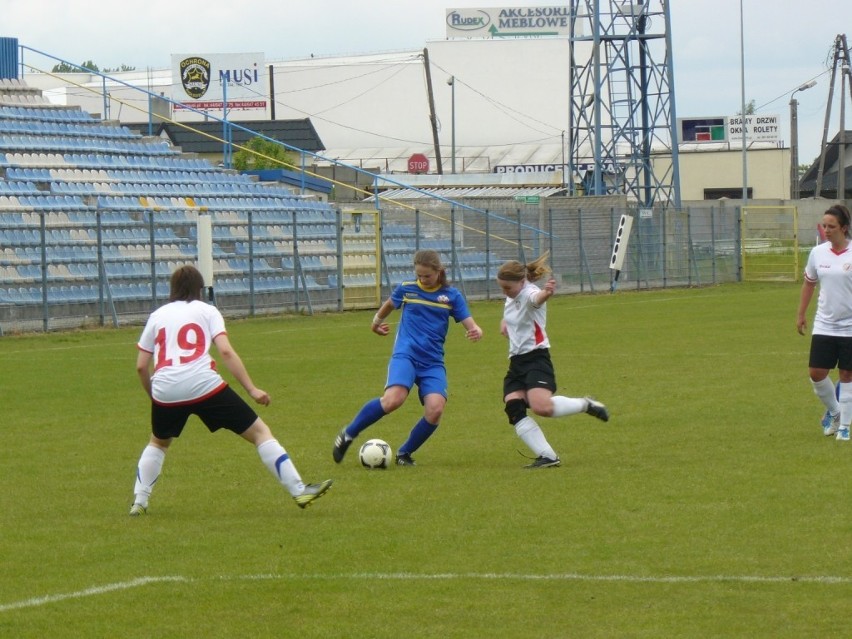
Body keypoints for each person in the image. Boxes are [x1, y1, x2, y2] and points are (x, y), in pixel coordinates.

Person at [129, 264, 332, 515]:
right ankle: (299, 490)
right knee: (260, 433)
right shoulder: (207, 310)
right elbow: (225, 351)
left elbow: (141, 367)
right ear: (199, 290)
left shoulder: (157, 315)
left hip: (165, 389)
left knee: (158, 443)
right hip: (204, 385)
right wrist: (252, 389)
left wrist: (156, 398)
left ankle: (139, 501)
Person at [332, 249, 483, 466]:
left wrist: (476, 330)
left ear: (439, 271)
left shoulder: (451, 296)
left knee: (435, 409)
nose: (422, 279)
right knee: (394, 400)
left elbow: (471, 323)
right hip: (406, 355)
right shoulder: (407, 289)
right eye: (419, 275)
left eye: (427, 276)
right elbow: (388, 305)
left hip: (432, 362)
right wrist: (375, 323)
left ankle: (404, 453)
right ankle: (348, 433)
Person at [496, 253, 609, 468]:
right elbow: (514, 309)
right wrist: (506, 323)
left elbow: (534, 301)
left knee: (541, 408)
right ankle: (547, 456)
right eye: (502, 288)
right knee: (513, 405)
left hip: (536, 359)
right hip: (516, 362)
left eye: (507, 288)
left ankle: (586, 404)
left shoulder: (531, 293)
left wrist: (546, 293)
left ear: (522, 282)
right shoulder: (513, 294)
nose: (505, 293)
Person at [797, 204, 852, 441]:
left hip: (850, 325)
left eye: (831, 226)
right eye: (824, 226)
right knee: (816, 372)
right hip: (824, 324)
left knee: (847, 374)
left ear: (844, 228)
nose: (826, 230)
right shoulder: (817, 253)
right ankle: (836, 412)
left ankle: (845, 428)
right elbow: (809, 283)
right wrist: (801, 314)